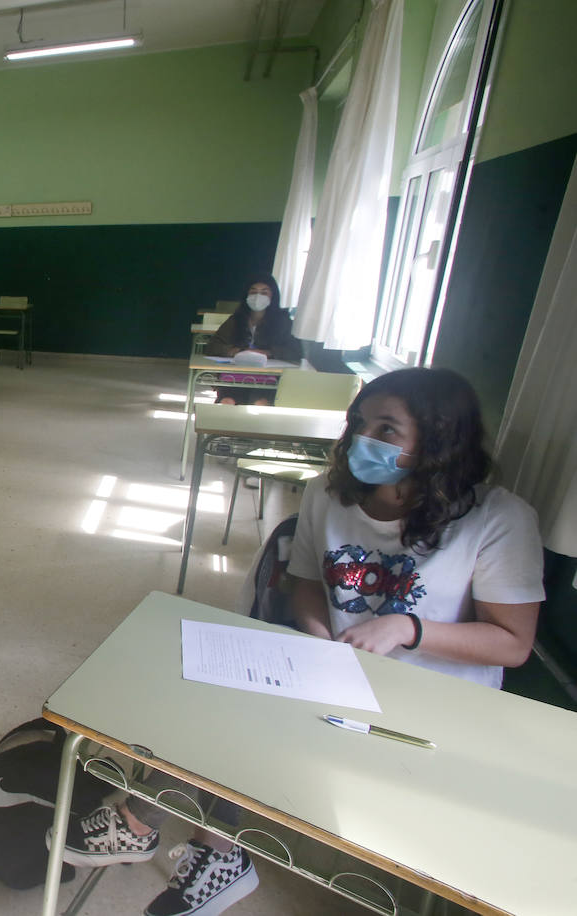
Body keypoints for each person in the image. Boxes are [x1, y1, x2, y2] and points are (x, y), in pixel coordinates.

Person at [52, 368, 543, 916]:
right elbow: (309, 583)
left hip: (432, 711)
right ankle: (194, 843)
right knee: (213, 690)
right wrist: (315, 632)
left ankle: (154, 824)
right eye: (360, 423)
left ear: (439, 438)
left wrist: (409, 628)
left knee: (241, 722)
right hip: (338, 675)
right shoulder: (327, 497)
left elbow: (512, 643)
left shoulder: (499, 520)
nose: (364, 439)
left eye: (387, 429)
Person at [203, 275, 302, 405]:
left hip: (268, 379)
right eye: (253, 291)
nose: (258, 296)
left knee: (260, 403)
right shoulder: (236, 320)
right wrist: (234, 351)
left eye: (264, 292)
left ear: (273, 295)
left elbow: (295, 351)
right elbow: (212, 346)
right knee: (227, 402)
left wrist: (269, 352)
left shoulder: (283, 322)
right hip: (235, 375)